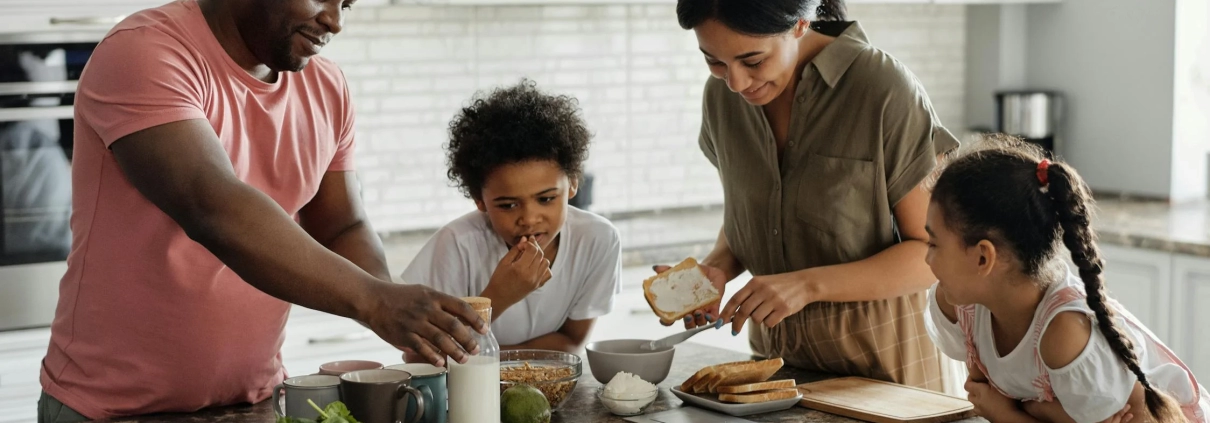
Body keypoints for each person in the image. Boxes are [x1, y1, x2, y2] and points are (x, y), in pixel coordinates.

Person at [38, 0, 485, 421]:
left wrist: (398, 309)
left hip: (254, 401)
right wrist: (373, 301)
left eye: (346, 4)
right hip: (111, 409)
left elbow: (342, 224)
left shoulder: (326, 87)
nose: (335, 21)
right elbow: (212, 207)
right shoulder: (144, 51)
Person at [664, 0, 959, 390]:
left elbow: (933, 255)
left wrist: (806, 285)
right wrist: (717, 267)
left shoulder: (883, 89)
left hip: (888, 375)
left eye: (752, 61)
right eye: (714, 62)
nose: (735, 82)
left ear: (801, 24)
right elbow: (755, 215)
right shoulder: (721, 99)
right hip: (776, 374)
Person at [924, 138, 1208, 423]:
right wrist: (1038, 413)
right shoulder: (962, 304)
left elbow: (995, 406)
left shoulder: (1066, 333)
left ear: (983, 258)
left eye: (934, 244)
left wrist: (1008, 414)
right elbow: (981, 393)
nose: (926, 259)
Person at [402, 79, 622, 353]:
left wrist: (490, 359)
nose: (529, 219)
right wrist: (498, 297)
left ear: (573, 183)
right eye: (507, 205)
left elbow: (571, 341)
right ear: (479, 200)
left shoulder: (598, 239)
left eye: (546, 199)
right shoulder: (457, 245)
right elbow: (418, 355)